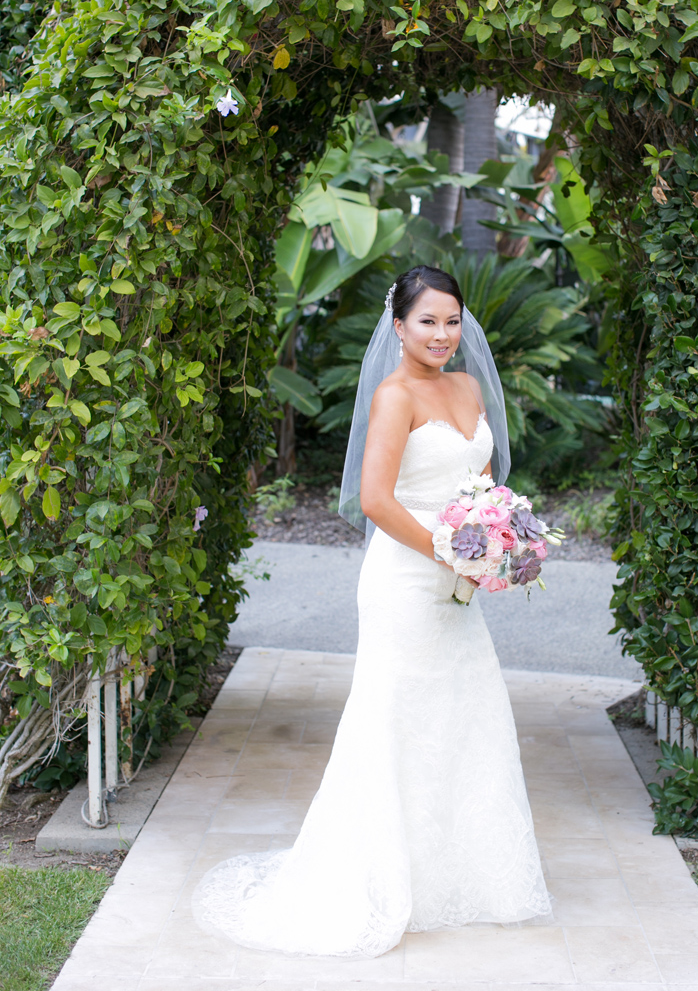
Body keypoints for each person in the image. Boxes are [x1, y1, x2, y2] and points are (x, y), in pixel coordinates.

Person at [193, 266, 551, 957]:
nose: (442, 334)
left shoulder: (469, 387)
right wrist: (448, 552)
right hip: (405, 579)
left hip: (456, 577)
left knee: (464, 711)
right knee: (394, 719)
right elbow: (375, 500)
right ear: (399, 326)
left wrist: (497, 535)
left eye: (452, 321)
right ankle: (378, 876)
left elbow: (480, 483)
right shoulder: (394, 395)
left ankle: (458, 876)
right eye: (427, 321)